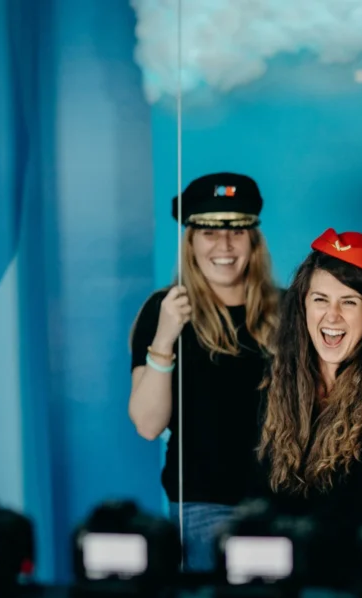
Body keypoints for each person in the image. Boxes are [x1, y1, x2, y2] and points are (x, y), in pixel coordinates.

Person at [128, 172, 279, 572]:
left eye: (236, 231)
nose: (224, 245)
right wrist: (164, 338)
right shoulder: (165, 309)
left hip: (288, 504)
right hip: (205, 507)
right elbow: (146, 424)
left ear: (253, 240)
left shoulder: (287, 308)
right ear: (191, 241)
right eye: (209, 231)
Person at [255, 228, 362, 584]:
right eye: (320, 299)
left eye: (349, 301)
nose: (332, 316)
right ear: (302, 306)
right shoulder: (272, 386)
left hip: (353, 592)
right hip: (281, 589)